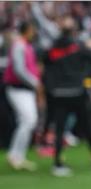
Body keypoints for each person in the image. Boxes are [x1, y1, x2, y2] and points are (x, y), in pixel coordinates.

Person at [43, 17, 91, 176]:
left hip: (58, 93)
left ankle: (58, 163)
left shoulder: (53, 48)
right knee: (88, 127)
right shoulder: (79, 46)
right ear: (73, 31)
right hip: (77, 92)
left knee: (59, 130)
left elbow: (45, 60)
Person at [3, 22, 40, 171]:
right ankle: (15, 155)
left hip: (25, 89)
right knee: (29, 120)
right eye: (32, 30)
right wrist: (35, 82)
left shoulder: (26, 45)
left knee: (27, 121)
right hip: (17, 88)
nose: (34, 33)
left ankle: (17, 155)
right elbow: (19, 70)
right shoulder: (19, 45)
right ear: (27, 30)